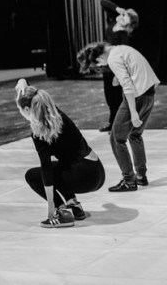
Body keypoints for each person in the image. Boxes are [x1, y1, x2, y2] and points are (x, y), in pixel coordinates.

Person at [15, 79, 105, 228]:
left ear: (26, 110)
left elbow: (46, 169)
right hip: (97, 172)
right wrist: (23, 82)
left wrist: (51, 206)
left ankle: (62, 212)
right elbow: (35, 96)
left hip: (83, 177)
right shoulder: (57, 114)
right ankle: (73, 205)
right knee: (60, 167)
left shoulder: (39, 133)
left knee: (32, 176)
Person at [79, 41, 160, 192]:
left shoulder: (113, 58)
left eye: (98, 64)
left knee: (116, 139)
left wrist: (133, 111)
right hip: (149, 94)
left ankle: (129, 180)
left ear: (99, 58)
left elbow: (128, 86)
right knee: (135, 135)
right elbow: (143, 70)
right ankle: (141, 176)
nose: (101, 66)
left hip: (136, 97)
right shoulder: (123, 49)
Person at [98, 0, 139, 133]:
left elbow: (123, 55)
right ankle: (112, 122)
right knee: (109, 97)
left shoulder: (123, 36)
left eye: (125, 16)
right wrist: (118, 9)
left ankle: (119, 125)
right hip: (106, 66)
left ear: (128, 24)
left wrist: (118, 74)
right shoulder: (113, 22)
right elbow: (103, 2)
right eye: (122, 14)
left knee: (117, 98)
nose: (121, 16)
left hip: (116, 68)